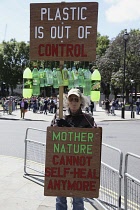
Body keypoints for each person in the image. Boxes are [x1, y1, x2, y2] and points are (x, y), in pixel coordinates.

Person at [53, 88, 96, 210]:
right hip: (62, 163)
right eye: (71, 99)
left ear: (80, 101)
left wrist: (68, 127)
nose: (73, 102)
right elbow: (52, 137)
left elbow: (93, 140)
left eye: (76, 99)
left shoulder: (88, 119)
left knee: (78, 199)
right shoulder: (59, 115)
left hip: (80, 165)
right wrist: (56, 126)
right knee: (60, 198)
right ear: (67, 101)